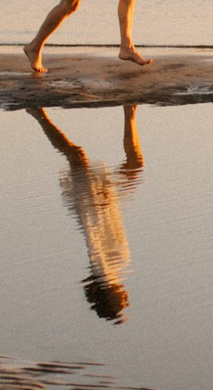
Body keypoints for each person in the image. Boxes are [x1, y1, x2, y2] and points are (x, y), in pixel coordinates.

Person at [29, 104, 144, 322]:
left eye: (122, 301)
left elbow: (93, 235)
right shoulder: (112, 269)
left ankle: (38, 114)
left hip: (95, 203)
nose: (126, 298)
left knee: (76, 155)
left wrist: (96, 203)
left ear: (112, 296)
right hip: (104, 204)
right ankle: (129, 112)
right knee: (133, 166)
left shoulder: (105, 269)